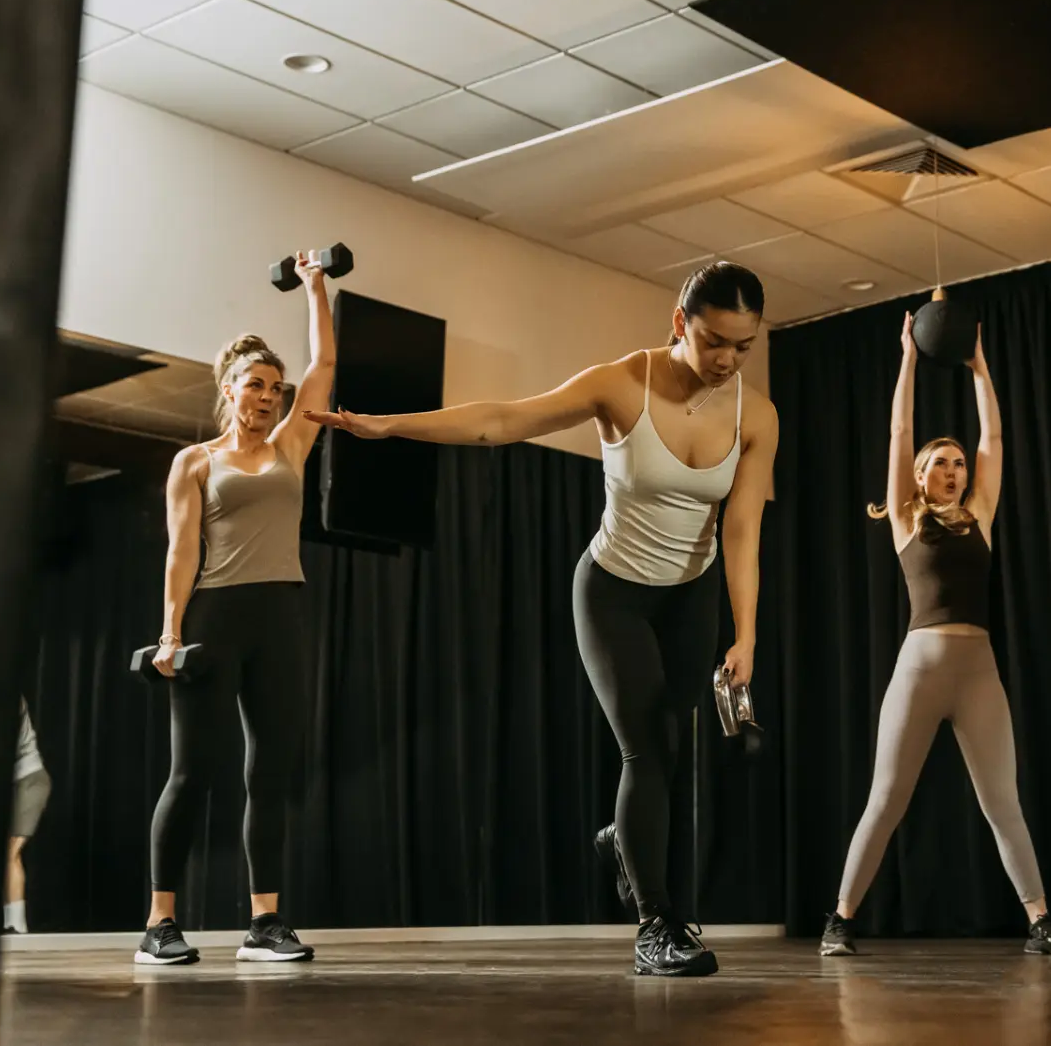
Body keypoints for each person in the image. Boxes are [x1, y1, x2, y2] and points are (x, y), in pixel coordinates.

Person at [307, 262, 778, 978]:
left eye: (743, 346)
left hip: (692, 593)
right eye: (715, 340)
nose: (727, 360)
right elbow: (503, 418)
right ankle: (657, 924)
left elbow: (741, 529)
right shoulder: (620, 384)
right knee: (646, 748)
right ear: (680, 322)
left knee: (673, 756)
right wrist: (393, 426)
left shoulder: (758, 415)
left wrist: (744, 634)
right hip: (613, 590)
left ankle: (628, 841)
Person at [819, 315, 1051, 959]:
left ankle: (1041, 921)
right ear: (918, 475)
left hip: (977, 673)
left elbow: (993, 435)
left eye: (960, 464)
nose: (955, 470)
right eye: (942, 463)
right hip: (921, 670)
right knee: (886, 799)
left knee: (1003, 802)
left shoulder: (981, 518)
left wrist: (981, 370)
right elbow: (899, 430)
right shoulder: (907, 520)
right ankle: (841, 919)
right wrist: (908, 358)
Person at [136, 251, 335, 967]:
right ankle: (159, 922)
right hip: (214, 621)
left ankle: (265, 922)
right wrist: (169, 631)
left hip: (281, 616)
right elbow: (180, 554)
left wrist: (316, 286)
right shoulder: (195, 461)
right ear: (229, 387)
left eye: (277, 388)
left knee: (269, 772)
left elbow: (325, 366)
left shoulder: (291, 445)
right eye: (256, 384)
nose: (270, 396)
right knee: (193, 771)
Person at [5, 698, 50, 935]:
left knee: (10, 853)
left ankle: (16, 924)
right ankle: (8, 921)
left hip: (30, 780)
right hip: (19, 782)